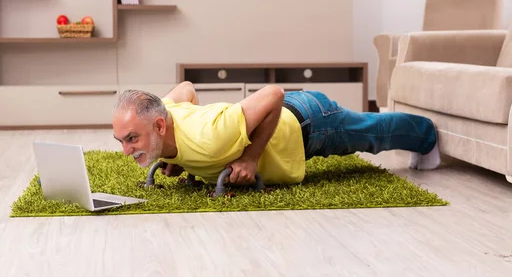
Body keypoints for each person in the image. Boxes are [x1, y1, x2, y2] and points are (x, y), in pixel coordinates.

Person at [111, 81, 440, 186]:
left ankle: (427, 135)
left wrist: (251, 157)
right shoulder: (166, 114)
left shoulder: (212, 136)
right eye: (123, 140)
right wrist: (174, 155)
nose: (127, 151)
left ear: (158, 126)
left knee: (372, 134)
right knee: (370, 131)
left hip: (309, 122)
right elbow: (185, 89)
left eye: (133, 139)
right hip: (288, 115)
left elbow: (273, 93)